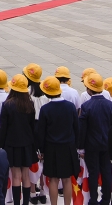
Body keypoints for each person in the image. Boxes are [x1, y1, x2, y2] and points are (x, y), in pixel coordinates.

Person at [34, 76, 79, 205]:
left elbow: (41, 132)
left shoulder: (45, 109)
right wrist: (76, 145)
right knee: (67, 179)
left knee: (53, 179)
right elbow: (77, 128)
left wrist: (41, 150)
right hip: (68, 146)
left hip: (51, 147)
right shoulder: (70, 107)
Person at [78, 73, 112, 205]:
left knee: (93, 172)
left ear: (89, 89)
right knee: (106, 171)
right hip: (106, 144)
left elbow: (83, 129)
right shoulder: (110, 105)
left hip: (91, 145)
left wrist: (81, 147)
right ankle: (106, 199)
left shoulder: (86, 106)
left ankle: (93, 199)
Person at [0, 74, 34, 205]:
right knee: (26, 175)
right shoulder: (29, 104)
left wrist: (1, 146)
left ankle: (17, 203)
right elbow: (32, 125)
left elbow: (4, 128)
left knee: (15, 176)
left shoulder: (7, 105)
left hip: (11, 144)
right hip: (27, 143)